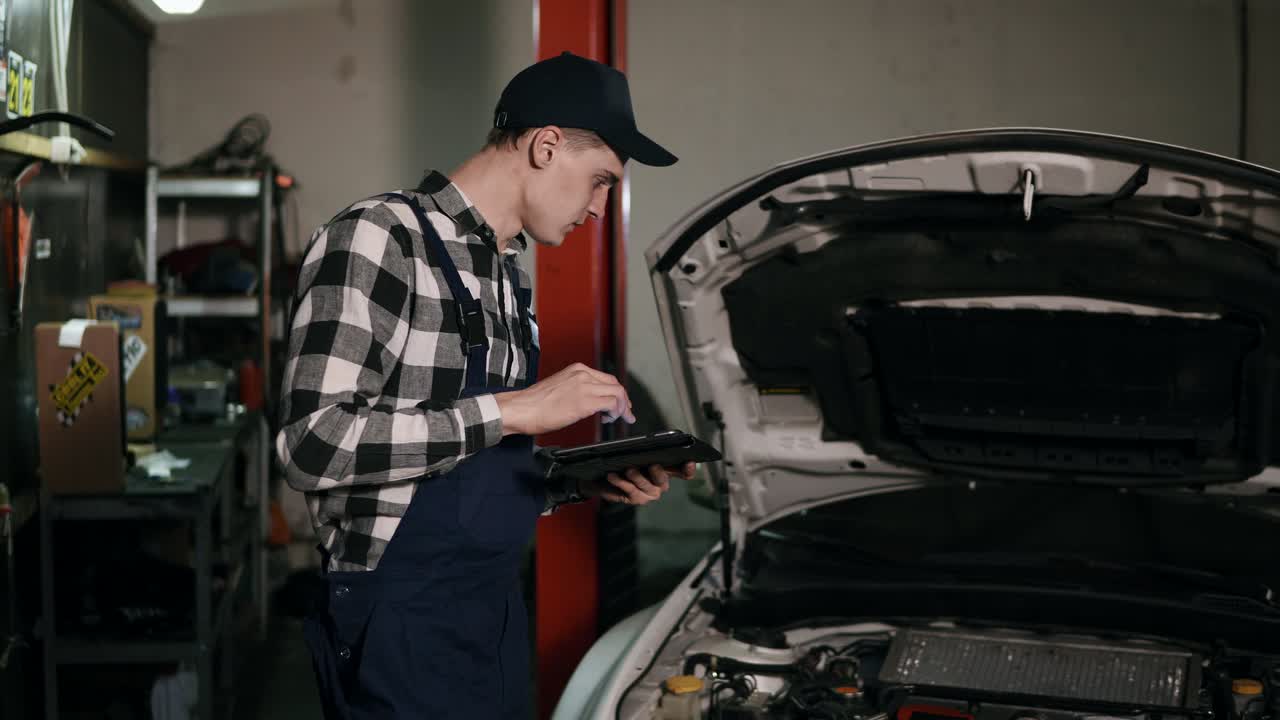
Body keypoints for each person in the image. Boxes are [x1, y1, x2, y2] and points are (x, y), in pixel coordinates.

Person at [275, 51, 688, 719]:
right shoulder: (381, 238)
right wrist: (515, 408)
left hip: (488, 612)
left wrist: (580, 480)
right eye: (601, 181)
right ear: (547, 146)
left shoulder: (502, 274)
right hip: (398, 619)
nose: (601, 208)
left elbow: (473, 461)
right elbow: (312, 446)